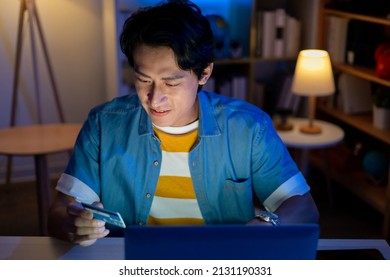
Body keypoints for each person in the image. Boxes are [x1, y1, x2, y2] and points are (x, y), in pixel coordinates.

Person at [48, 0, 319, 246]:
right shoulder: (103, 125)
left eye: (171, 82)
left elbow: (304, 207)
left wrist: (267, 226)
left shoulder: (249, 128)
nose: (155, 99)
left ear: (204, 73)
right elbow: (61, 210)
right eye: (144, 80)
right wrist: (74, 224)